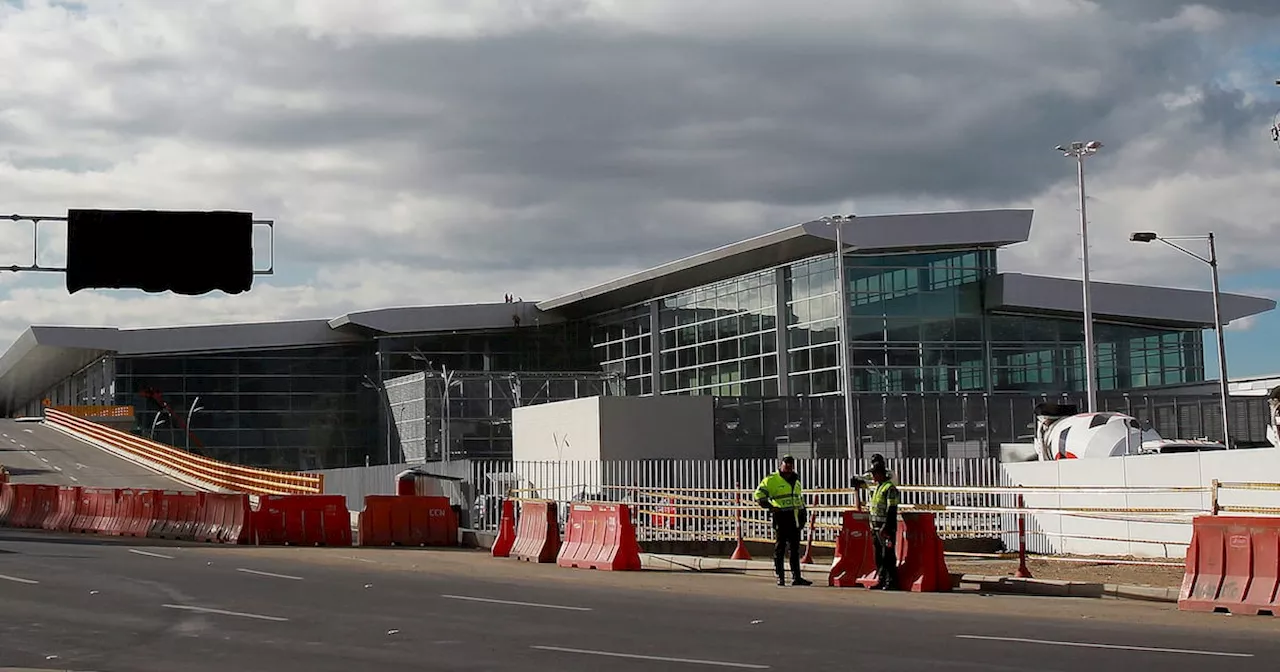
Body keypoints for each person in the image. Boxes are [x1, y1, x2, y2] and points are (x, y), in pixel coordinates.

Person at [754, 455, 812, 587]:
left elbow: (799, 500)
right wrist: (770, 507)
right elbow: (758, 495)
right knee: (780, 548)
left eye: (790, 465)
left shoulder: (796, 481)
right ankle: (780, 576)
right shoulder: (772, 479)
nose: (788, 468)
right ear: (781, 465)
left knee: (795, 549)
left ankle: (796, 577)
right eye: (786, 465)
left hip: (795, 518)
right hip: (781, 518)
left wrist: (803, 515)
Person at [867, 460, 900, 590]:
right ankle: (881, 579)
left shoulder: (890, 488)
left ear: (881, 473)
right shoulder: (878, 488)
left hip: (886, 528)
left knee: (888, 555)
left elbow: (891, 509)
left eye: (874, 473)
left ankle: (891, 581)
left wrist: (885, 527)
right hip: (875, 528)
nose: (873, 476)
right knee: (879, 556)